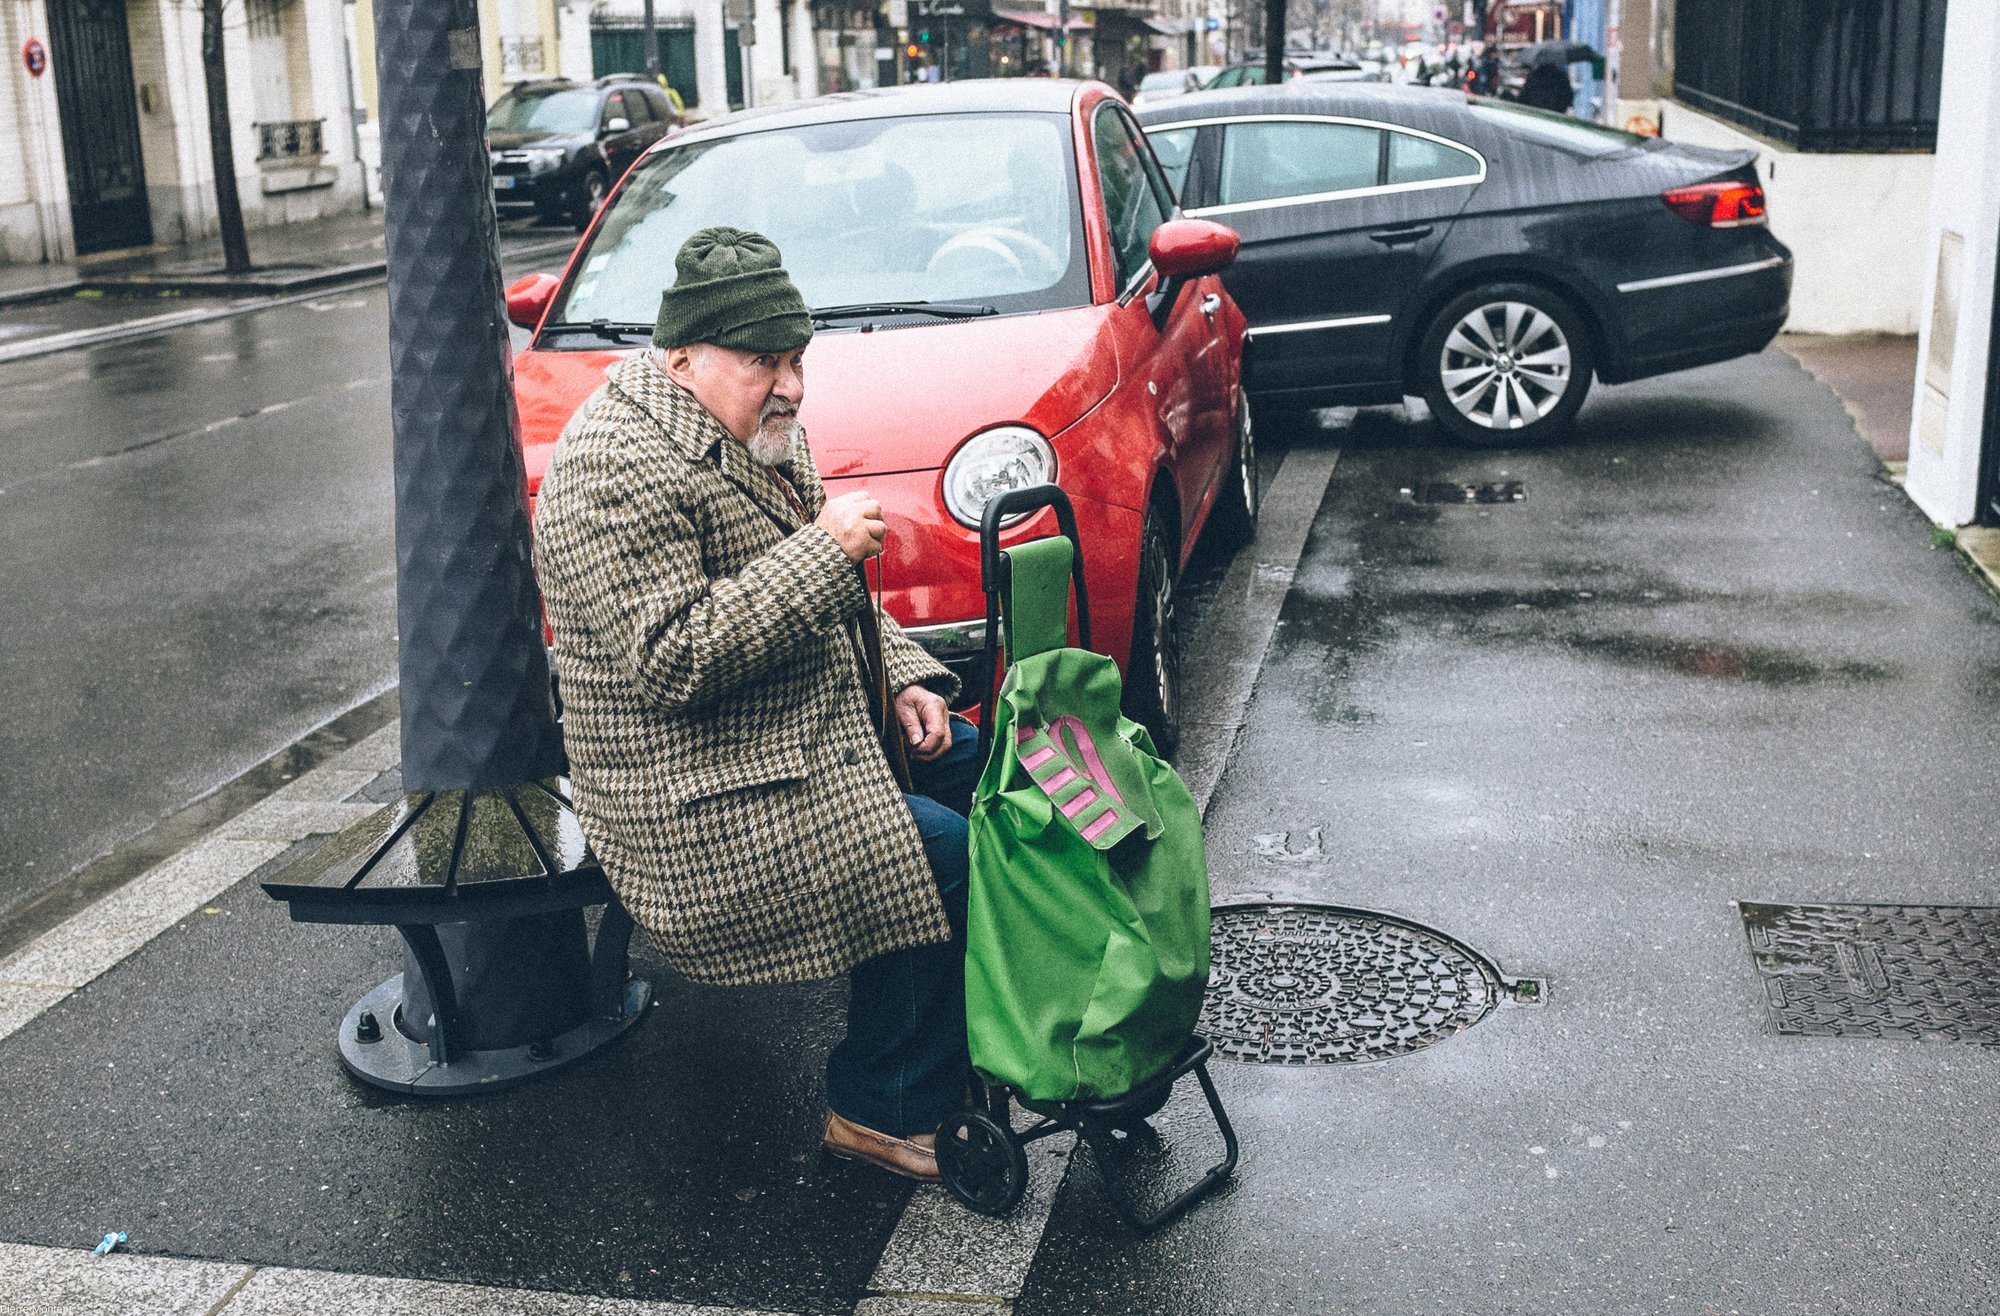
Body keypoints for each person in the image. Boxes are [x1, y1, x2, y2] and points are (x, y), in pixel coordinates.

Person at [532, 226, 978, 1183]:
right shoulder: (611, 465)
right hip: (691, 794)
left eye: (796, 359)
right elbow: (673, 659)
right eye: (761, 362)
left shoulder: (757, 431)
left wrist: (901, 673)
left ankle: (959, 1032)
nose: (792, 387)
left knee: (988, 770)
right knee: (938, 852)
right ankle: (881, 1103)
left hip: (790, 732)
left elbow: (841, 609)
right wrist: (824, 549)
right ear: (682, 355)